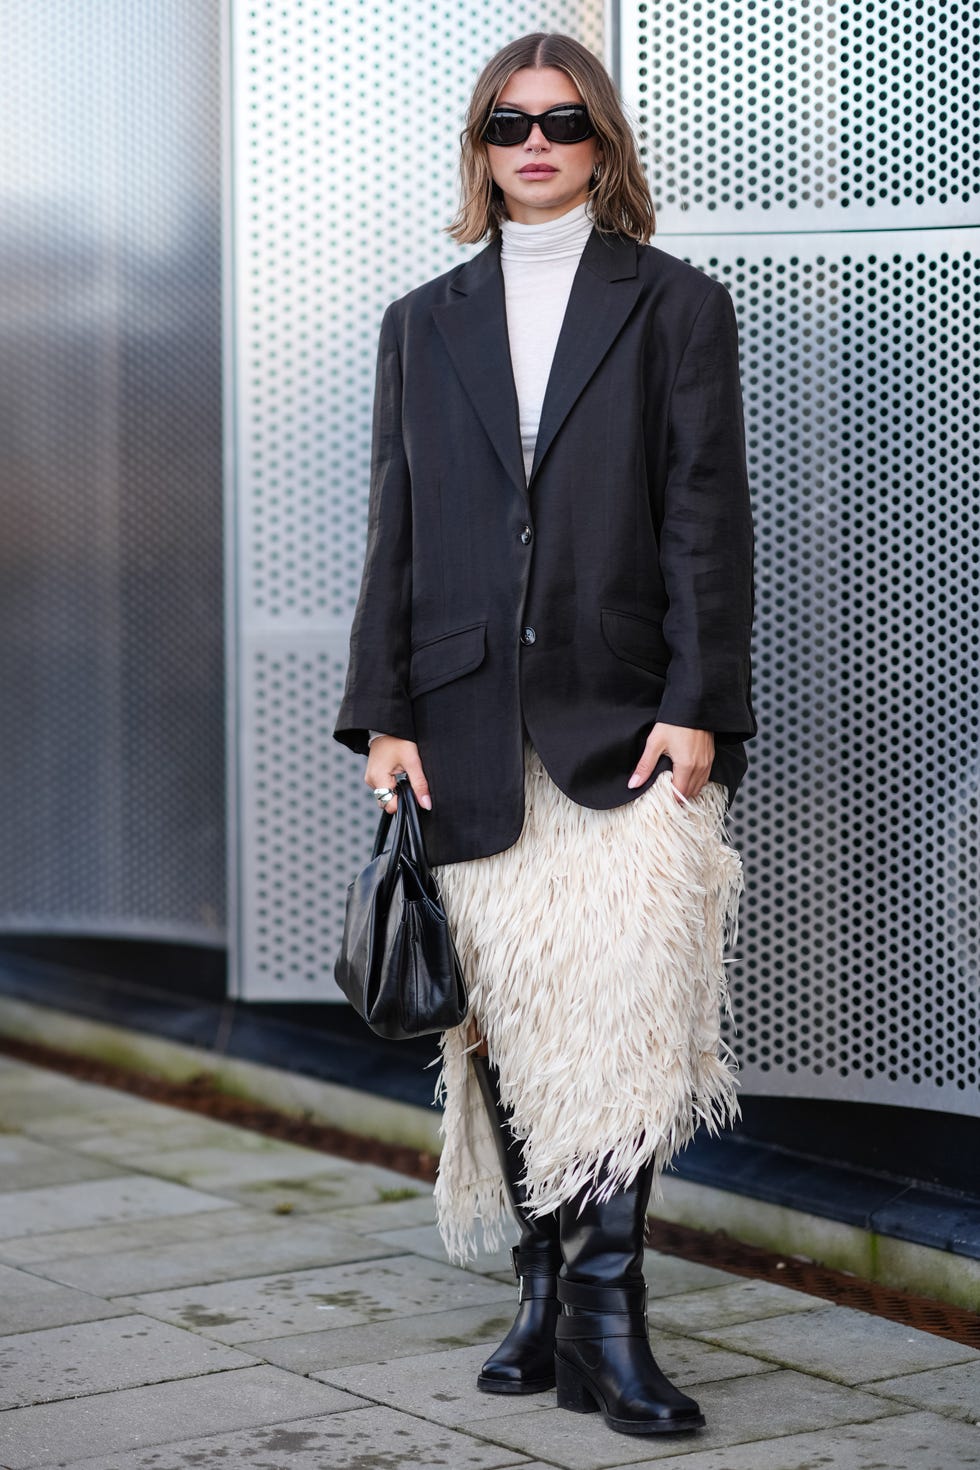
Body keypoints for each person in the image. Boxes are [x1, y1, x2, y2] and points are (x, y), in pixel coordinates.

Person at [334, 31, 755, 1438]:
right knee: (509, 1017)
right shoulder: (421, 319)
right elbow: (394, 534)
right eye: (509, 121)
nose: (536, 140)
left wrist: (699, 702)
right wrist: (382, 712)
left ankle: (606, 1315)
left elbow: (708, 522)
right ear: (479, 143)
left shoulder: (678, 307)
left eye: (564, 119)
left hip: (625, 717)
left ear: (602, 141)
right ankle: (542, 1280)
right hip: (460, 717)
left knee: (621, 1014)